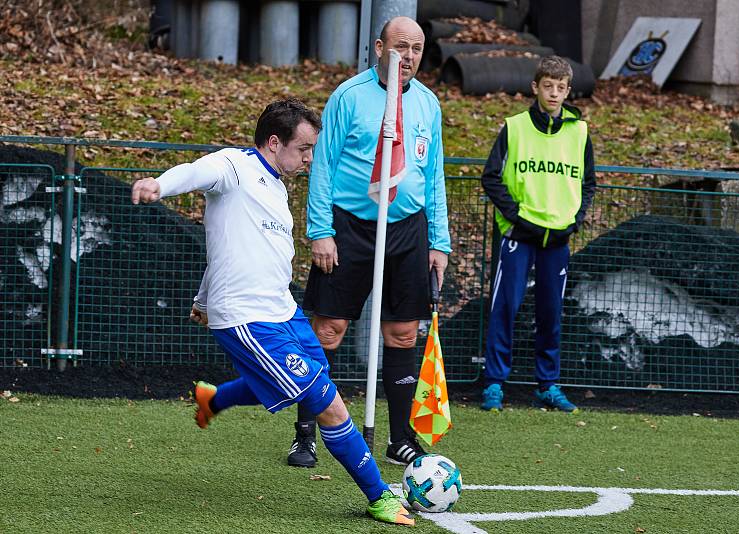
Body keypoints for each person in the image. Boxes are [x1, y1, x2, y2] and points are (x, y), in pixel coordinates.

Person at [130, 99, 415, 526]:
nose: (309, 158)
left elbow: (230, 249)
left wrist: (203, 298)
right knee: (328, 402)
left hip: (284, 310)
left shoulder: (277, 186)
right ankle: (378, 495)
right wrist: (159, 184)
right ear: (275, 142)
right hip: (247, 319)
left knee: (307, 383)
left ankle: (214, 398)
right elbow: (193, 173)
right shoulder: (234, 166)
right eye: (303, 149)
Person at [294, 16, 451, 468]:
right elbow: (321, 167)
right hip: (349, 227)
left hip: (408, 229)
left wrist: (438, 241)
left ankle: (400, 438)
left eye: (418, 48)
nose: (410, 56)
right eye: (402, 46)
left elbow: (433, 175)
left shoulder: (427, 105)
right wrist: (320, 231)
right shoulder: (348, 96)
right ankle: (307, 433)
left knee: (402, 333)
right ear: (380, 48)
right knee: (329, 330)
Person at [479, 56, 596, 413]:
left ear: (567, 90)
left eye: (562, 87)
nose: (555, 93)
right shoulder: (514, 127)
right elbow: (491, 177)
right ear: (535, 87)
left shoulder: (580, 131)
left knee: (551, 312)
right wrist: (515, 218)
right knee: (506, 308)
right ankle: (495, 383)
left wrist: (574, 220)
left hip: (557, 239)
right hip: (519, 235)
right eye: (548, 86)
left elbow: (588, 182)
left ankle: (548, 385)